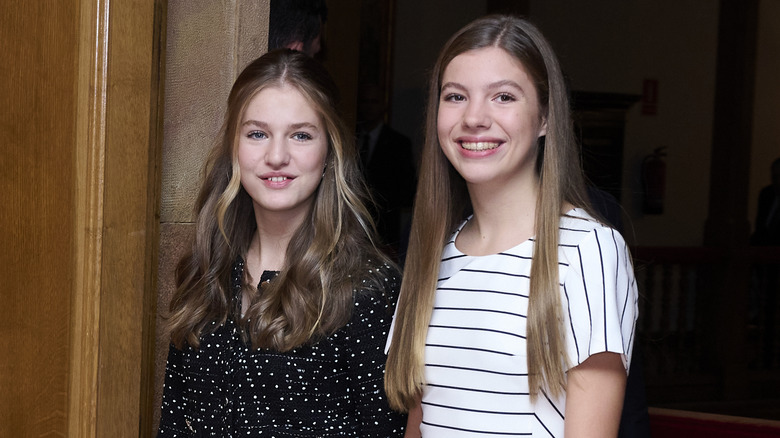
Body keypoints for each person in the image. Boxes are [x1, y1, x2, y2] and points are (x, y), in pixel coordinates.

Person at [384, 15, 638, 437]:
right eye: (455, 96)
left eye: (503, 97)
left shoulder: (589, 248)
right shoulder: (434, 250)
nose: (474, 118)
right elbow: (419, 424)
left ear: (544, 118)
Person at [157, 49, 406, 437]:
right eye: (257, 134)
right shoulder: (207, 272)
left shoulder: (367, 288)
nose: (277, 156)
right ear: (234, 149)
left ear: (329, 152)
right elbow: (174, 423)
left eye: (301, 135)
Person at [356, 83, 417, 263]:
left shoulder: (399, 143)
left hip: (385, 233)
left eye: (374, 102)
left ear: (383, 105)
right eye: (365, 101)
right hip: (351, 227)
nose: (368, 107)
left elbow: (407, 190)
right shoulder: (349, 136)